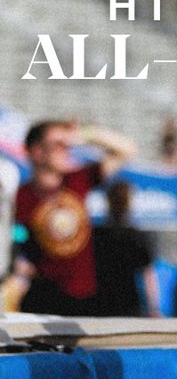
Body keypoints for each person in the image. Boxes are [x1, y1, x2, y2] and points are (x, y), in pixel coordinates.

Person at [14, 120, 136, 316]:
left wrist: (86, 134)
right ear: (37, 151)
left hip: (84, 298)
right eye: (58, 145)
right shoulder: (20, 196)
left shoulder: (77, 180)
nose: (66, 149)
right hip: (42, 299)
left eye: (67, 145)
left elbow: (126, 150)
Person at [92, 179, 159, 316]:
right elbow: (148, 275)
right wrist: (153, 308)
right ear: (129, 203)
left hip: (100, 301)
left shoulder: (96, 234)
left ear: (108, 202)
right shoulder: (137, 236)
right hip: (129, 302)